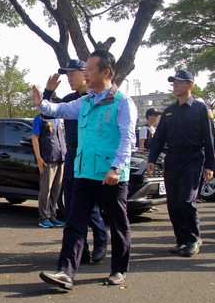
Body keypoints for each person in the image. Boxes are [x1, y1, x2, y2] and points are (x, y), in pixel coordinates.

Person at [35, 50, 137, 290]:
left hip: (110, 176)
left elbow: (127, 138)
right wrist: (42, 103)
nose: (86, 74)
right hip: (82, 172)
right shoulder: (86, 101)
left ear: (106, 72)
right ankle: (66, 273)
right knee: (74, 222)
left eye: (90, 69)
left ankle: (119, 269)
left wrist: (116, 167)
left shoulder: (122, 102)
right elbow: (60, 111)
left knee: (118, 222)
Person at [42, 59, 108, 263]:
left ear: (85, 73)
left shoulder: (96, 97)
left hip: (92, 156)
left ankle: (101, 239)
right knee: (71, 205)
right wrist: (48, 93)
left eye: (73, 73)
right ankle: (82, 250)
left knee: (91, 204)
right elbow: (46, 113)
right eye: (67, 74)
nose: (69, 78)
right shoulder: (70, 99)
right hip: (72, 156)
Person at [146, 70, 215, 257]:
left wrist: (210, 165)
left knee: (186, 199)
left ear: (190, 85)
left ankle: (193, 238)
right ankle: (181, 240)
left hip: (193, 158)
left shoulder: (201, 109)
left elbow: (209, 139)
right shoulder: (169, 111)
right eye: (173, 82)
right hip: (173, 159)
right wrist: (152, 159)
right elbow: (159, 138)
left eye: (180, 82)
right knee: (173, 203)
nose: (175, 85)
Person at [32, 113, 66, 228]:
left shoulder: (58, 119)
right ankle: (44, 217)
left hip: (60, 157)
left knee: (56, 189)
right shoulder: (39, 119)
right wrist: (38, 158)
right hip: (47, 158)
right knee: (46, 189)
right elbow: (35, 138)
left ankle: (52, 215)